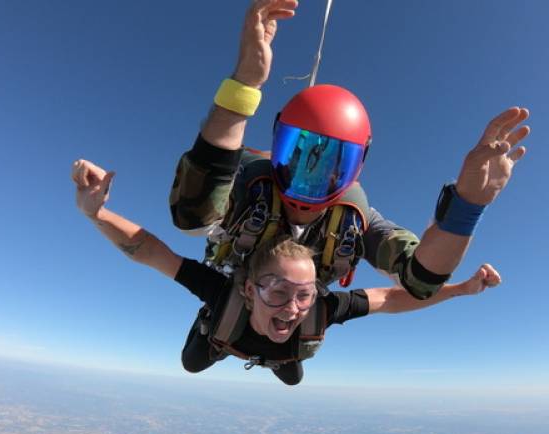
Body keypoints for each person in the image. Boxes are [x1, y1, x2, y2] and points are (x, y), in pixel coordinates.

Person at [168, 0, 528, 360]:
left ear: (354, 170)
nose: (311, 174)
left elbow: (420, 279)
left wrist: (467, 206)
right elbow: (193, 212)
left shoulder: (356, 218)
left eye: (331, 164)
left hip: (295, 313)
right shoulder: (251, 181)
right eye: (300, 154)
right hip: (240, 288)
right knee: (198, 355)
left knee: (291, 358)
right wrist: (246, 82)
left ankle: (282, 359)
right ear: (278, 146)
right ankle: (228, 337)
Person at [73, 159, 502, 385]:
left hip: (272, 346)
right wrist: (96, 213)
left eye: (305, 294)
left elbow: (393, 297)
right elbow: (152, 251)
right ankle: (239, 346)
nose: (295, 308)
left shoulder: (320, 308)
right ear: (246, 288)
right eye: (277, 291)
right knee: (192, 363)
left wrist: (461, 289)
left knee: (291, 370)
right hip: (226, 331)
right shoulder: (223, 294)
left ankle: (275, 360)